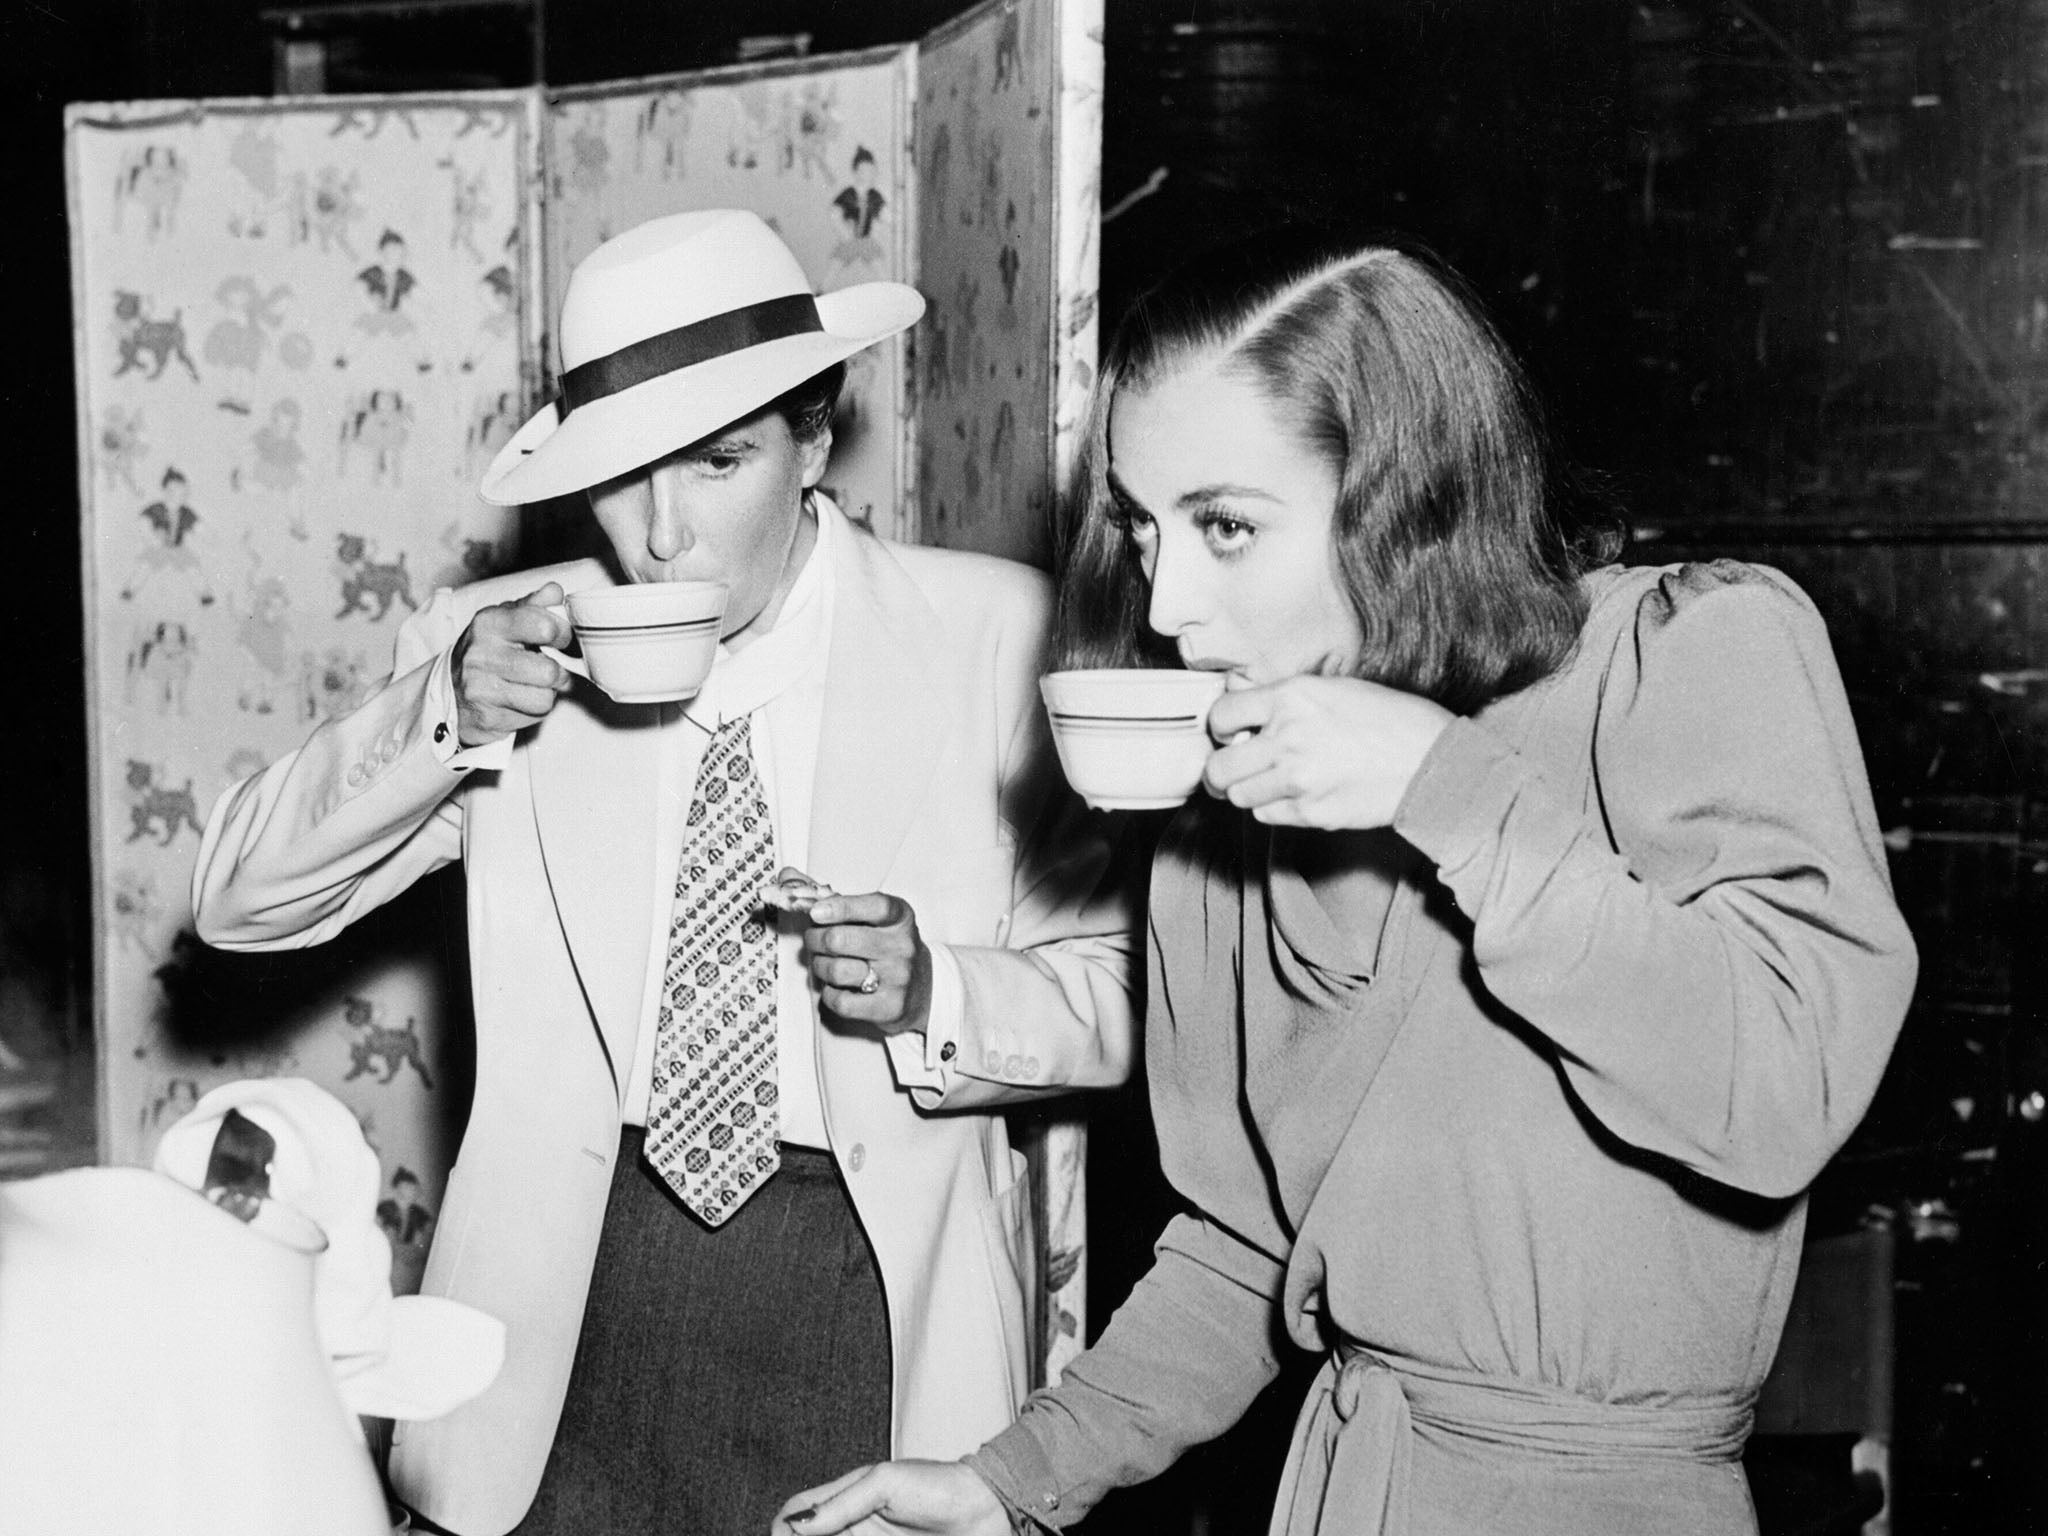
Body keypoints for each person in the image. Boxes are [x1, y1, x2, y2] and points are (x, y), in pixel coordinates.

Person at [772, 233, 1918, 1536]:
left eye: (1225, 527)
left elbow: (1781, 1084)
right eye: (1148, 532)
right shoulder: (1228, 819)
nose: (1169, 606)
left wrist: (1448, 789)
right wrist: (1010, 1478)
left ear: (1403, 493)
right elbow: (1240, 1247)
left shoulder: (1673, 662)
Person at [190, 208, 1135, 1536]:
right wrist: (443, 723)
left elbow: (1113, 996)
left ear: (814, 440)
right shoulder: (502, 647)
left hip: (863, 1291)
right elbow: (241, 901)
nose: (662, 533)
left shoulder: (994, 635)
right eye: (626, 474)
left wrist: (939, 993)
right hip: (574, 1294)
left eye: (717, 464)